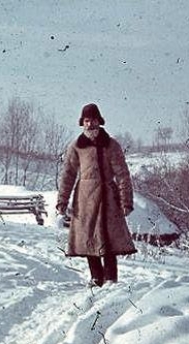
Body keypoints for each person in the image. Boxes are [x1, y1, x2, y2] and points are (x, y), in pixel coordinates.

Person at [56, 103, 136, 287]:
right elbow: (68, 174)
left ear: (99, 121)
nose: (90, 124)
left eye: (93, 120)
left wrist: (126, 201)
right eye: (86, 121)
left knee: (109, 239)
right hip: (85, 199)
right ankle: (95, 277)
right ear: (82, 123)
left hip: (108, 198)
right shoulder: (76, 146)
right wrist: (62, 200)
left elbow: (123, 174)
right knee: (88, 237)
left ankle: (110, 279)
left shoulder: (111, 145)